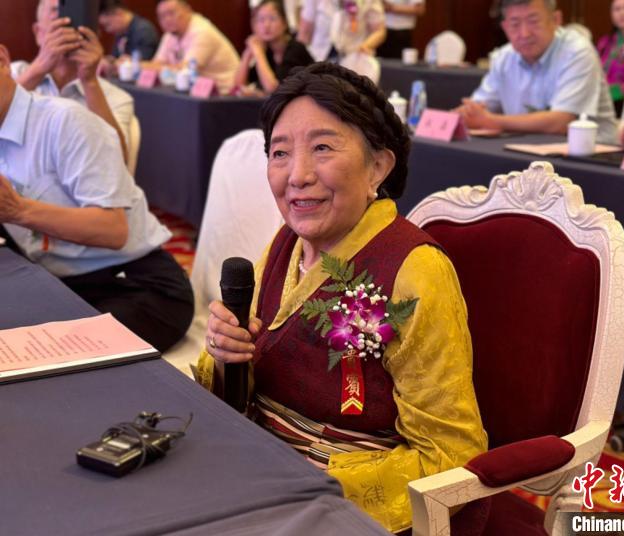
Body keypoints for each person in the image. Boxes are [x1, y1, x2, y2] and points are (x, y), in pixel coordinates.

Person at [197, 62, 487, 533]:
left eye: (323, 148)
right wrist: (226, 351)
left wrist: (314, 485)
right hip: (260, 463)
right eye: (280, 153)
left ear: (378, 166)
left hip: (337, 499)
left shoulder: (415, 271)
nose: (298, 175)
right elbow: (249, 380)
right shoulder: (286, 243)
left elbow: (450, 454)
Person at [0, 43, 194, 353]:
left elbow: (113, 230)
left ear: (2, 59)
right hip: (61, 281)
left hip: (136, 285)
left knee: (40, 353)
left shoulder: (65, 122)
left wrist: (18, 210)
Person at [455, 0, 618, 143]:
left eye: (533, 21)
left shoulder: (577, 52)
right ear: (505, 27)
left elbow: (560, 122)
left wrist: (492, 121)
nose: (524, 34)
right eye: (515, 24)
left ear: (556, 20)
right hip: (528, 151)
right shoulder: (504, 57)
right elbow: (477, 109)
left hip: (593, 156)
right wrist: (465, 114)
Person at [11, 0, 133, 161]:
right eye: (56, 10)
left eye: (74, 12)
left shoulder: (116, 98)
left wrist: (90, 83)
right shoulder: (11, 73)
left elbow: (119, 163)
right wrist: (38, 69)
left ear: (95, 33)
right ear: (38, 33)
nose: (66, 21)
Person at [146, 0, 240, 95]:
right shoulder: (170, 35)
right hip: (195, 93)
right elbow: (155, 65)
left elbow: (185, 71)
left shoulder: (203, 32)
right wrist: (144, 66)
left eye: (171, 13)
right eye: (161, 16)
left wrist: (149, 66)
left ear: (187, 10)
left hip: (225, 94)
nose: (167, 19)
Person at [233, 0, 313, 95]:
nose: (266, 25)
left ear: (285, 23)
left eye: (272, 19)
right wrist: (248, 53)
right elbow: (238, 86)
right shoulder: (268, 52)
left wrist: (258, 53)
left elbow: (274, 89)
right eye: (261, 20)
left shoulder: (296, 49)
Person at [298, 0, 387, 62]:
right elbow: (304, 33)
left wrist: (365, 46)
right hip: (317, 58)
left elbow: (379, 31)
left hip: (352, 61)